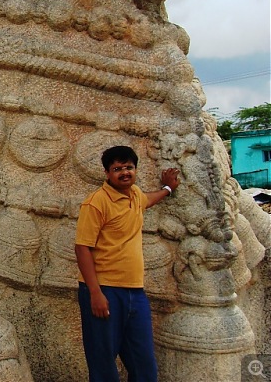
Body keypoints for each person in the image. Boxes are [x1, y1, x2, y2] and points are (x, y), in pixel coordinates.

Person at [74, 145, 180, 382]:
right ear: (107, 173)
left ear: (135, 170)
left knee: (145, 367)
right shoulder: (96, 203)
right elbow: (82, 248)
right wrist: (95, 293)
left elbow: (147, 200)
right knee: (103, 366)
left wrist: (167, 189)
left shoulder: (134, 196)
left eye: (129, 168)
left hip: (135, 292)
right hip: (104, 290)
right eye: (117, 169)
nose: (124, 173)